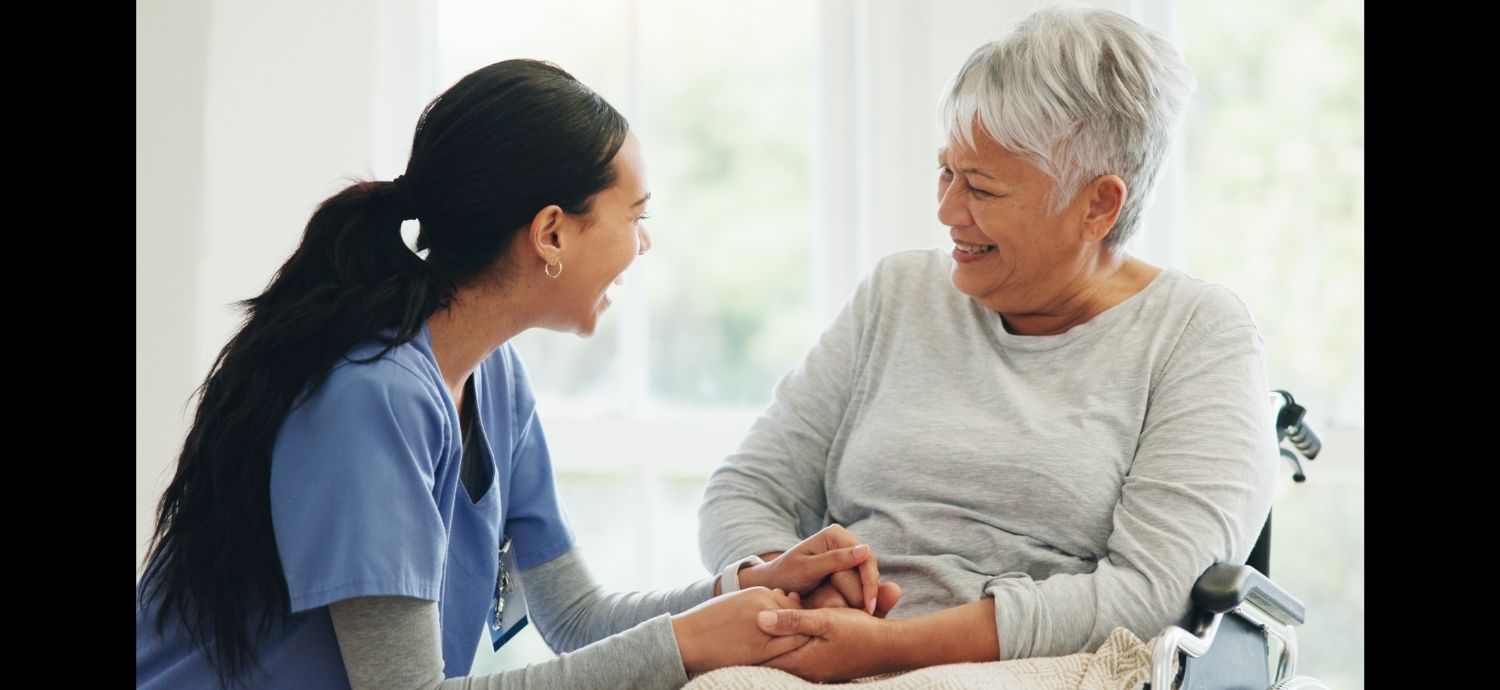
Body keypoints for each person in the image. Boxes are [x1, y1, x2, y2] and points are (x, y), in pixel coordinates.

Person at [136, 58, 889, 690]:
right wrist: (689, 644)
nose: (645, 242)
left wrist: (751, 591)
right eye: (634, 215)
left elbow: (575, 617)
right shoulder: (374, 396)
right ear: (552, 232)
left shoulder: (496, 380)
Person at [698, 5, 1279, 682]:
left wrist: (892, 649)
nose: (947, 211)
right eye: (946, 172)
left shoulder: (1198, 334)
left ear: (1098, 204)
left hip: (1041, 662)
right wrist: (784, 580)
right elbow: (746, 489)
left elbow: (1148, 594)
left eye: (980, 188)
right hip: (835, 643)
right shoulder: (899, 293)